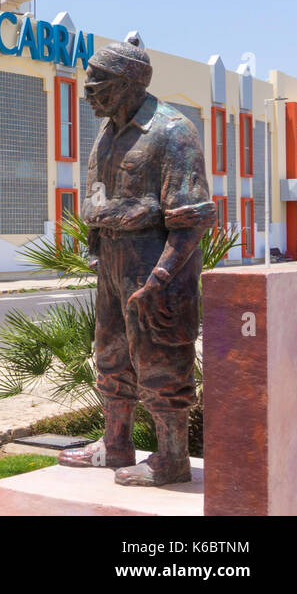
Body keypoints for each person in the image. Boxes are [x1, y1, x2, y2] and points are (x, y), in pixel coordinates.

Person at [59, 33, 215, 486]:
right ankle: (115, 443)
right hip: (111, 262)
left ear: (129, 82)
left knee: (161, 359)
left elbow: (190, 218)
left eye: (97, 82)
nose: (87, 91)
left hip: (154, 265)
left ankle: (172, 458)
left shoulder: (172, 131)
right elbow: (97, 197)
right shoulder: (107, 134)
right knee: (110, 355)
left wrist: (161, 278)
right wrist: (95, 250)